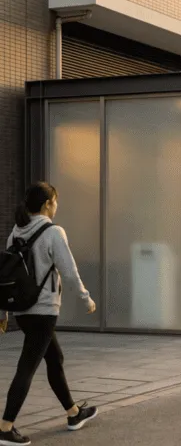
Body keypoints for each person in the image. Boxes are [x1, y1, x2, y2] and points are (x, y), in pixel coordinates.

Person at [0, 183, 98, 446]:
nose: (57, 206)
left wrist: (4, 311)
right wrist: (85, 297)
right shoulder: (54, 232)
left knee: (54, 358)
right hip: (43, 310)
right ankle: (6, 427)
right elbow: (69, 270)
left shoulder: (15, 232)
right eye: (55, 201)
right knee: (27, 366)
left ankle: (73, 413)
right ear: (47, 204)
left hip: (23, 310)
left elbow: (6, 276)